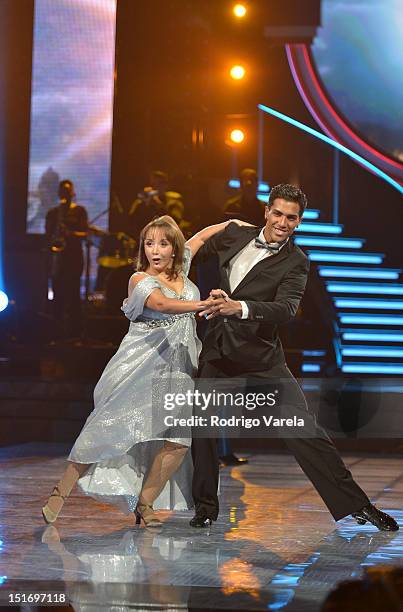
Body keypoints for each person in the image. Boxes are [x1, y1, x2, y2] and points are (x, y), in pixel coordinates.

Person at [189, 183, 398, 532]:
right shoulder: (238, 234)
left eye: (292, 217)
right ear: (266, 212)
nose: (283, 222)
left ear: (298, 222)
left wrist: (237, 307)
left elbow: (285, 309)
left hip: (261, 356)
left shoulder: (296, 262)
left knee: (305, 432)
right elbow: (198, 245)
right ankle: (206, 508)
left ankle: (357, 505)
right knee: (203, 428)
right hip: (219, 348)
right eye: (278, 214)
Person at [41, 215, 248, 527]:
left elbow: (203, 235)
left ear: (174, 248)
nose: (156, 250)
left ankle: (146, 504)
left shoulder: (183, 268)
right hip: (138, 367)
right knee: (106, 430)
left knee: (179, 442)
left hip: (178, 370)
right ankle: (60, 492)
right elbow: (162, 305)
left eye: (163, 243)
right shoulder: (140, 280)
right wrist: (204, 304)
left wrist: (233, 224)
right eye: (149, 243)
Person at [45, 179, 88, 341]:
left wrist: (70, 233)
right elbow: (48, 236)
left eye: (68, 191)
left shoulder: (80, 211)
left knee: (74, 295)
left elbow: (85, 233)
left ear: (73, 193)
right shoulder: (53, 213)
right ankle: (55, 333)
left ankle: (75, 334)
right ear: (59, 194)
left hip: (74, 258)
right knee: (58, 295)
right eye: (62, 191)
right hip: (58, 259)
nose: (65, 194)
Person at [129, 170, 191, 240]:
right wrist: (141, 205)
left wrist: (159, 205)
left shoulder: (173, 201)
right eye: (153, 184)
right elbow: (131, 222)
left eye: (159, 184)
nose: (156, 187)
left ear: (166, 185)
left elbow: (176, 222)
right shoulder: (143, 202)